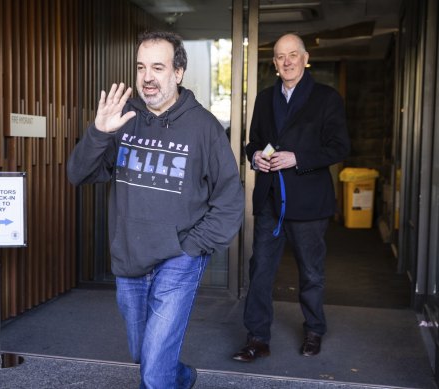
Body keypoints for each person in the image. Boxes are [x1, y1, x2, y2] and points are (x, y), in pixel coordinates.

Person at [67, 31, 244, 388]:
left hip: (178, 257)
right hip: (130, 257)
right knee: (143, 354)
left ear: (178, 73)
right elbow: (77, 175)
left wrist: (192, 247)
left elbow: (230, 198)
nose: (147, 77)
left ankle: (165, 375)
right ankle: (182, 376)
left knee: (152, 372)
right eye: (141, 67)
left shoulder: (204, 128)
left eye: (158, 67)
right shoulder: (123, 118)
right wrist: (99, 132)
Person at [232, 33, 350, 362]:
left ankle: (314, 330)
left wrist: (297, 157)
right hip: (271, 200)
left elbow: (340, 147)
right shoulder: (265, 98)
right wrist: (256, 157)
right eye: (281, 56)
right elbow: (254, 142)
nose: (287, 61)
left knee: (310, 272)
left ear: (305, 57)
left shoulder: (327, 98)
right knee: (260, 271)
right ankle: (257, 337)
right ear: (274, 64)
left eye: (293, 55)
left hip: (309, 204)